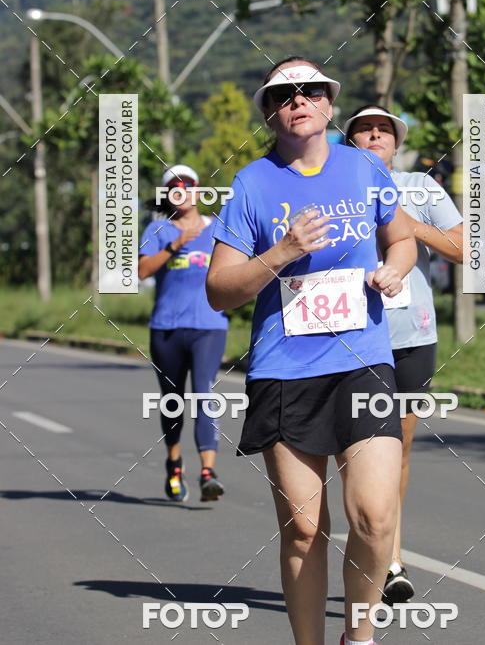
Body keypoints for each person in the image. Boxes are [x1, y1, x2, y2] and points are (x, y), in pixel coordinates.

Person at [206, 57, 417, 645]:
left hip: (364, 360)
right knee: (303, 529)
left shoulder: (363, 168)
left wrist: (395, 271)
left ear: (329, 103)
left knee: (375, 517)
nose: (299, 100)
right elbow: (219, 291)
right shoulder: (252, 183)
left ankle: (360, 635)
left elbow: (400, 237)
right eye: (285, 94)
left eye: (312, 91)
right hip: (284, 368)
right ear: (270, 111)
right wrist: (282, 252)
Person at [345, 105, 464, 603]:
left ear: (395, 143)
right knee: (359, 451)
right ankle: (376, 552)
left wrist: (408, 225)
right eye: (364, 130)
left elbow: (465, 248)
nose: (375, 135)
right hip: (348, 335)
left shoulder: (418, 185)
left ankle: (391, 555)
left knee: (398, 449)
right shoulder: (333, 185)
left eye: (384, 130)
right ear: (348, 142)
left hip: (410, 335)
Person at [138, 164, 228, 503]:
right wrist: (176, 245)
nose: (181, 191)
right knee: (173, 401)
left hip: (209, 327)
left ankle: (208, 473)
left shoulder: (218, 227)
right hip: (166, 329)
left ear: (197, 189)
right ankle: (174, 463)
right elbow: (142, 270)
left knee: (205, 394)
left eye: (187, 184)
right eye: (173, 187)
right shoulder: (158, 229)